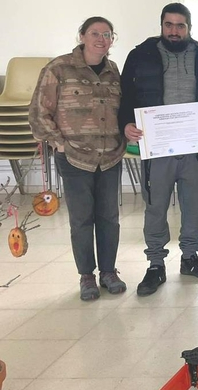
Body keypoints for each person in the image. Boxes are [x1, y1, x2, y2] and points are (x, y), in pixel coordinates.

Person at [119, 2, 198, 297]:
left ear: (189, 28)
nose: (174, 31)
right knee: (155, 207)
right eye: (169, 25)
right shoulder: (140, 56)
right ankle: (155, 264)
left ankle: (190, 257)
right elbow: (126, 94)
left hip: (195, 147)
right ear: (161, 25)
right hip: (157, 147)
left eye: (180, 26)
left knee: (193, 205)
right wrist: (126, 123)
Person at [29, 16, 127, 301]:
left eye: (107, 34)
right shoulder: (59, 68)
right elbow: (38, 112)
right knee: (82, 219)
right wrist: (57, 142)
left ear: (112, 40)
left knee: (109, 217)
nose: (101, 39)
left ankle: (109, 272)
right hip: (73, 157)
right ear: (82, 36)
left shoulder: (113, 71)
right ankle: (87, 275)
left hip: (109, 155)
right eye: (95, 33)